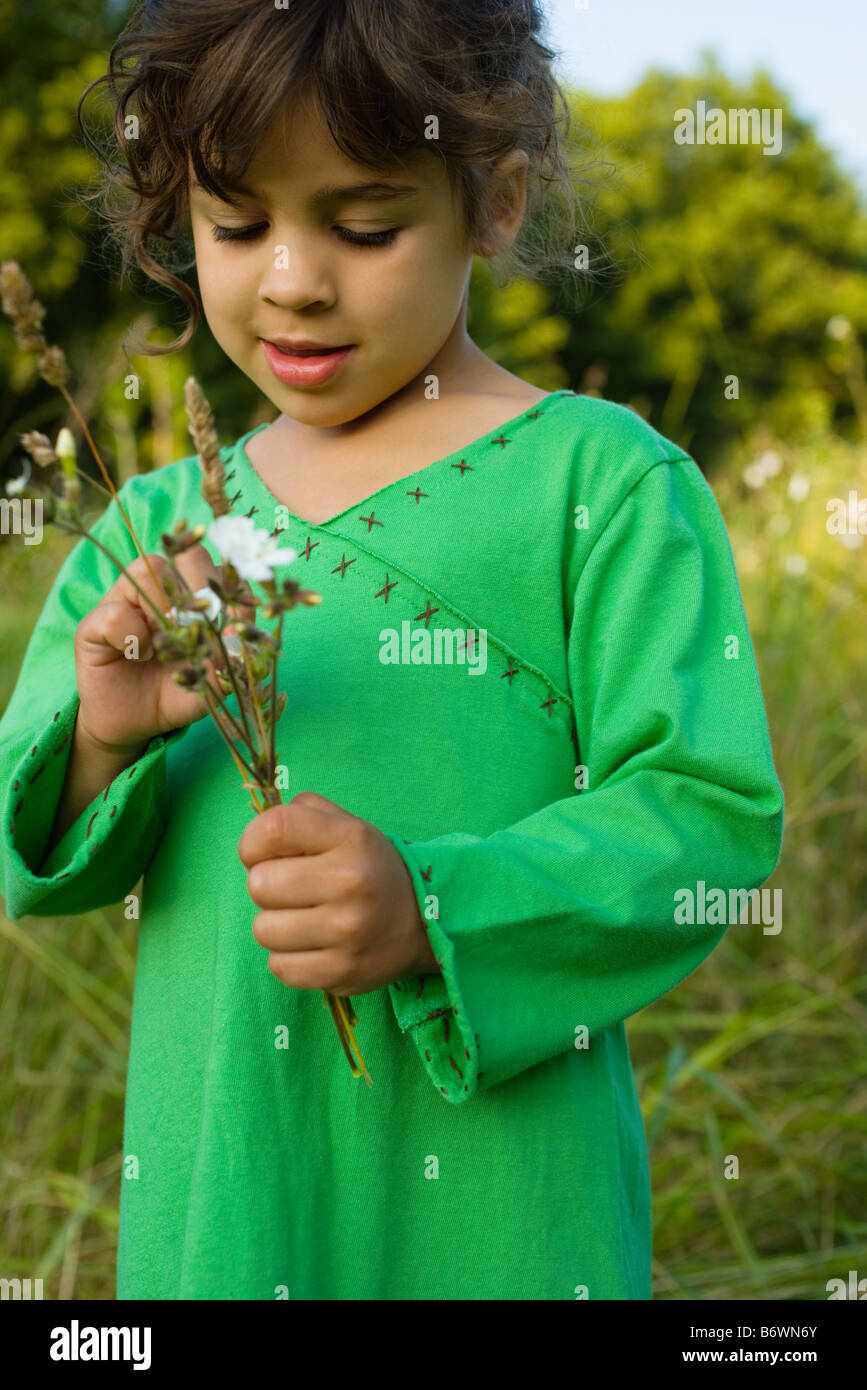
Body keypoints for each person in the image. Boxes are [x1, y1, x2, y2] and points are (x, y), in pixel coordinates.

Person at [0, 0, 784, 1300]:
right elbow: (29, 849)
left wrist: (434, 907)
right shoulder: (154, 523)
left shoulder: (605, 486)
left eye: (366, 225)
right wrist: (95, 735)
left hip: (506, 1210)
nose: (294, 278)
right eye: (236, 224)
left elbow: (705, 818)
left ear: (500, 201)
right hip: (230, 1196)